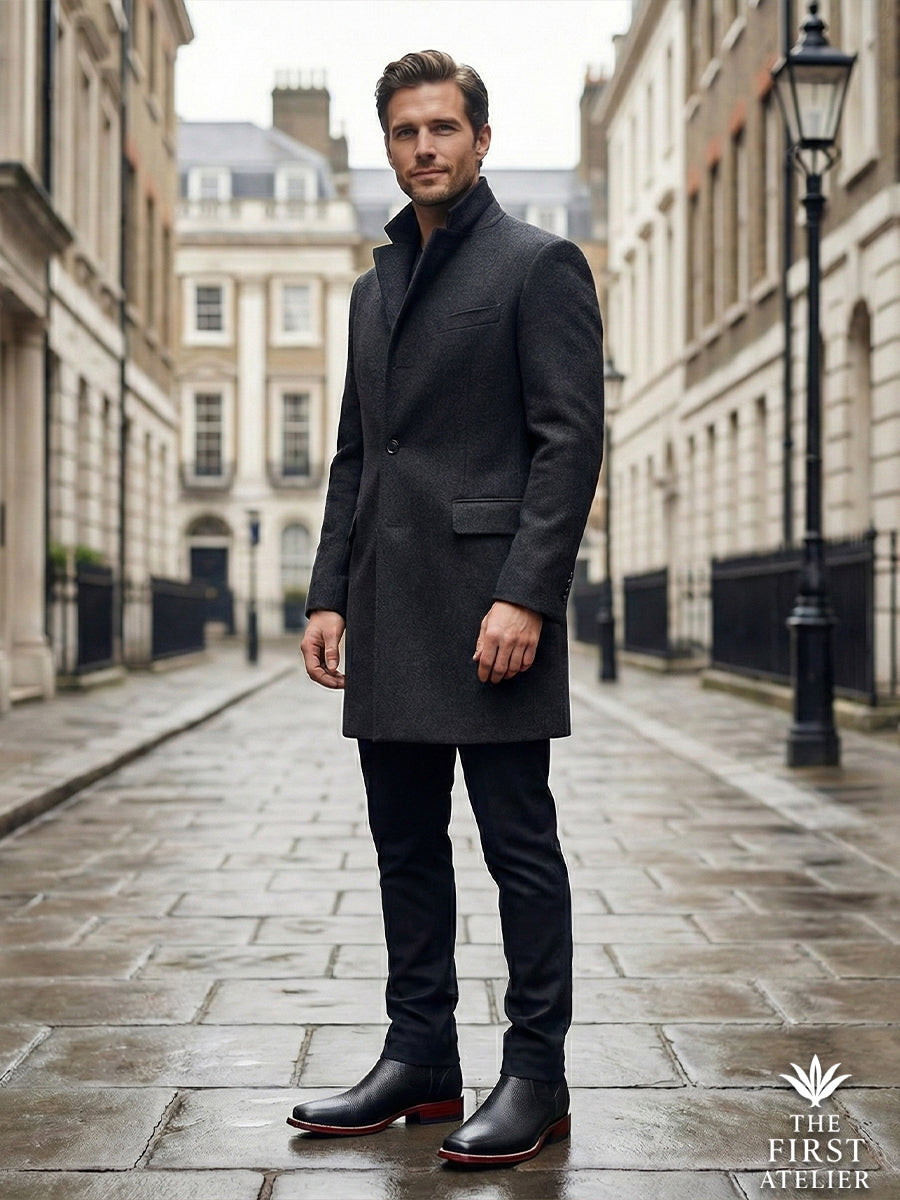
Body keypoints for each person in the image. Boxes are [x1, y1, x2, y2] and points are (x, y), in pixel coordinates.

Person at [290, 49, 604, 1167]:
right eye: (406, 132)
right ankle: (421, 1058)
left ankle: (537, 1075)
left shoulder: (539, 264)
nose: (425, 147)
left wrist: (528, 593)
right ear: (389, 144)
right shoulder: (374, 290)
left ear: (480, 139)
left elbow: (569, 443)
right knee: (404, 846)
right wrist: (328, 594)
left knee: (521, 847)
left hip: (489, 616)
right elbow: (355, 455)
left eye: (443, 128)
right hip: (387, 609)